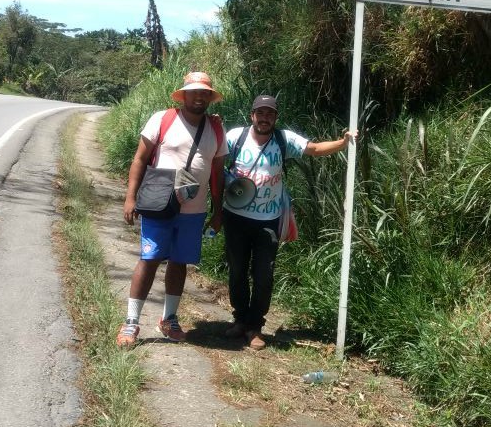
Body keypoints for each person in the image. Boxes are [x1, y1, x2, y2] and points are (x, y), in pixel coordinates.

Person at [221, 94, 357, 350]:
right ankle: (240, 320)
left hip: (268, 220)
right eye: (260, 113)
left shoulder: (284, 140)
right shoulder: (236, 137)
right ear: (252, 115)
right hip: (235, 217)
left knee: (264, 275)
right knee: (237, 271)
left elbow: (314, 149)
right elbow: (213, 155)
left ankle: (254, 327)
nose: (264, 118)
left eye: (270, 114)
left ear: (275, 117)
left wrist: (343, 142)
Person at [117, 71, 227, 347]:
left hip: (194, 210)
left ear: (210, 98)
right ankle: (131, 322)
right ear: (184, 95)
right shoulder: (163, 119)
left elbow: (217, 173)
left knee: (179, 262)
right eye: (194, 92)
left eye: (204, 93)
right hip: (159, 205)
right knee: (150, 258)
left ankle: (169, 319)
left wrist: (218, 211)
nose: (199, 97)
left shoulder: (216, 128)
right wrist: (130, 198)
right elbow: (140, 159)